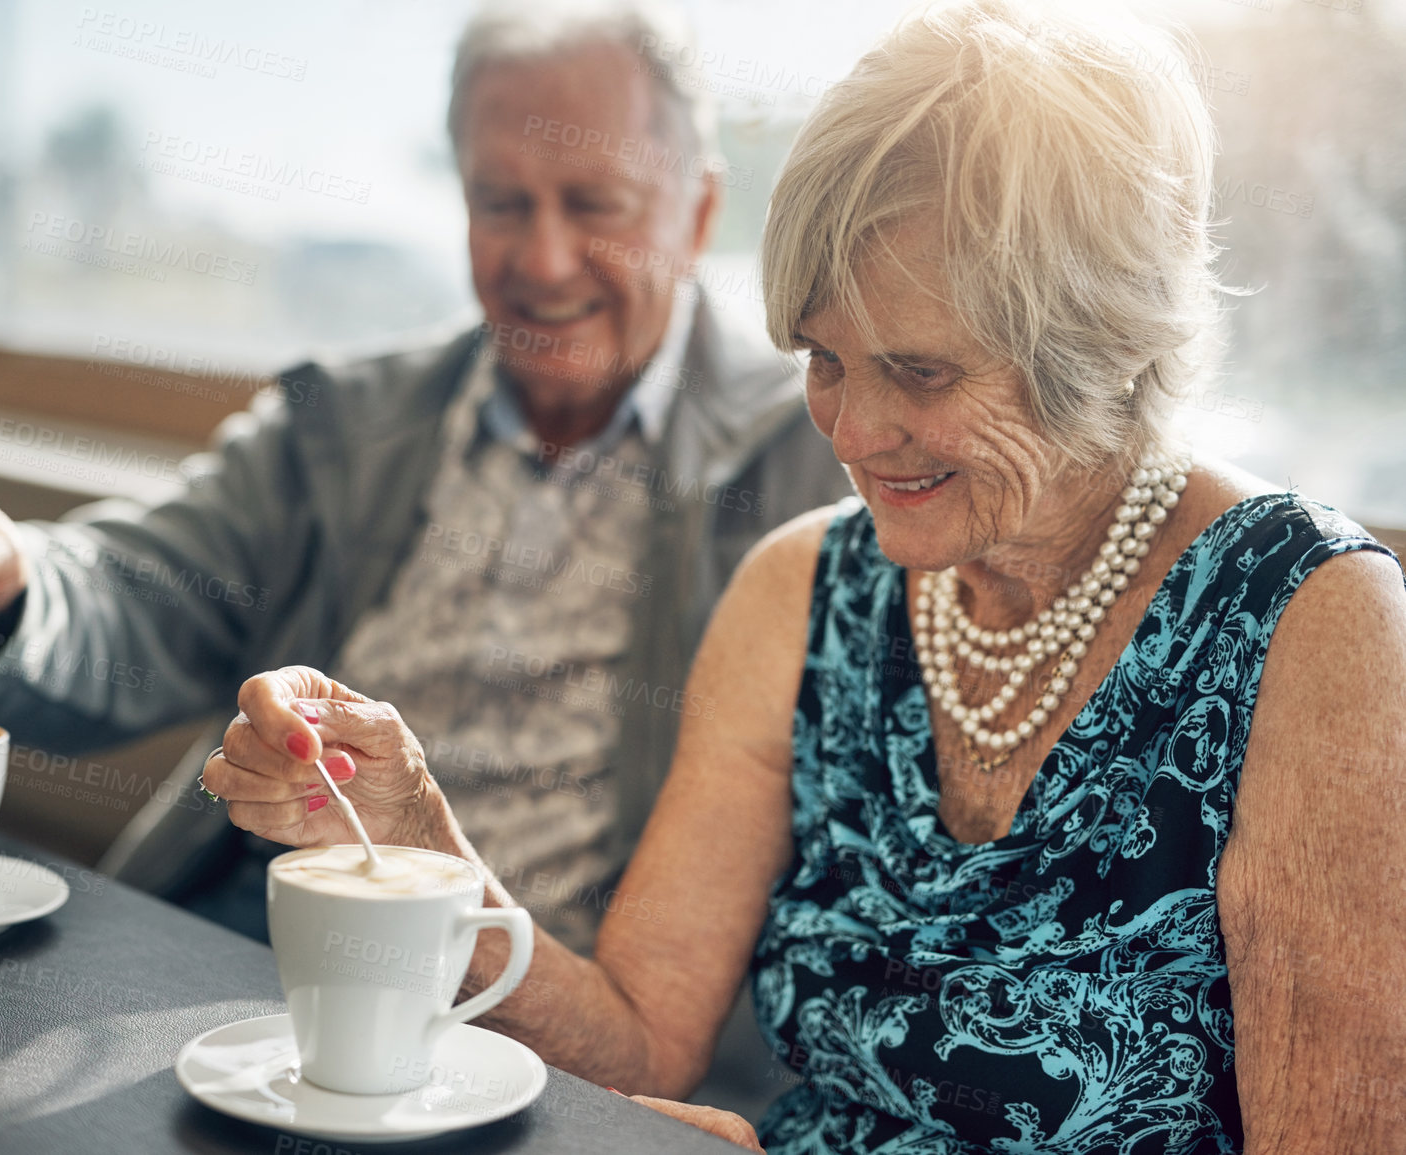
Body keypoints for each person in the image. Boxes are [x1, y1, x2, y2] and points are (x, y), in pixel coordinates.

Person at [199, 2, 1406, 1151]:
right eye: (825, 356)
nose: (854, 429)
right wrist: (421, 844)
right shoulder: (803, 593)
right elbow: (640, 1040)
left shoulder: (1313, 625)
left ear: (1105, 335)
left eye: (922, 374)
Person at [0, 0, 848, 959]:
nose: (543, 258)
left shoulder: (819, 459)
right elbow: (134, 594)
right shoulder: (347, 424)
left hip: (552, 1025)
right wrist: (3, 587)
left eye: (594, 204)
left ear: (699, 206)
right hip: (253, 962)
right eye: (501, 203)